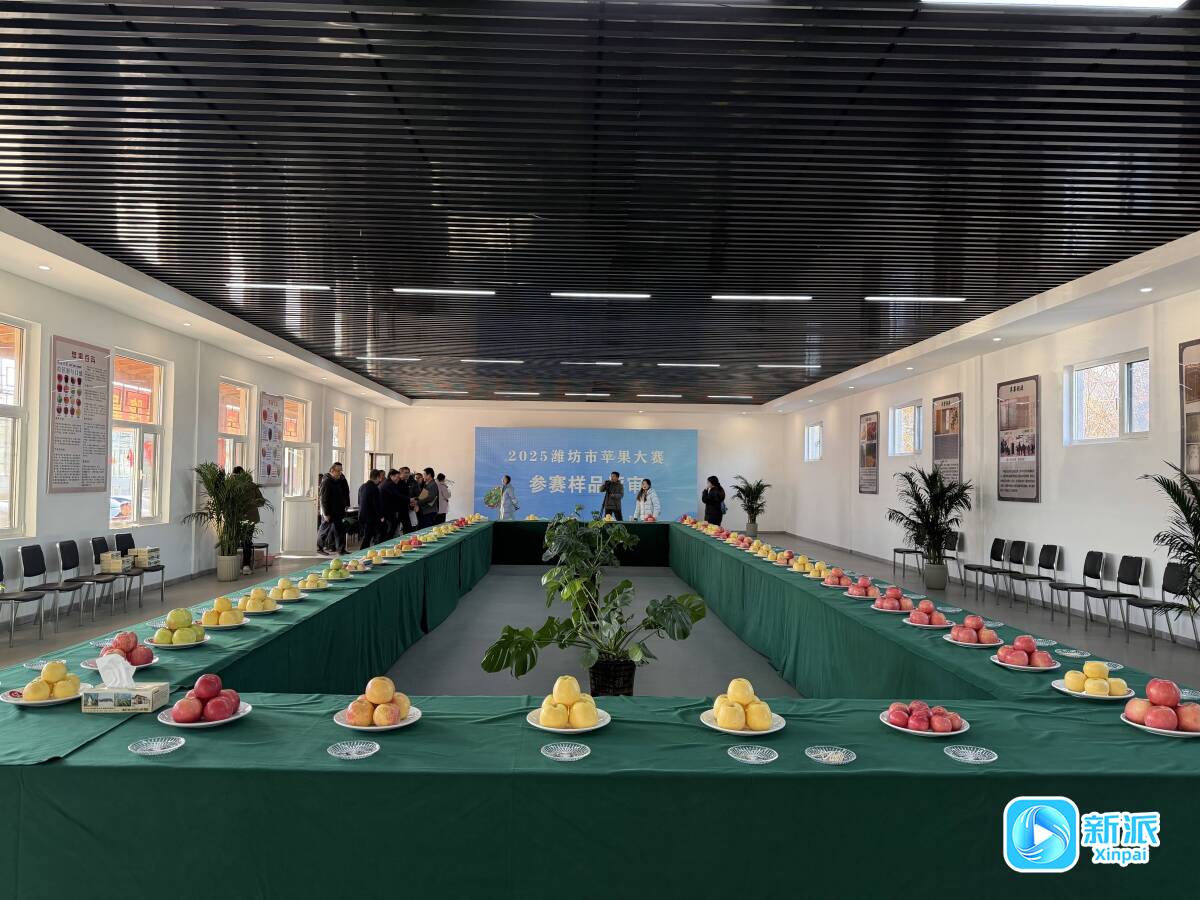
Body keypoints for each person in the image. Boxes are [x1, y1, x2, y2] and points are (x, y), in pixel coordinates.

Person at [231, 466, 267, 575]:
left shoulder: (233, 485)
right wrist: (252, 504)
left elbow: (261, 501)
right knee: (246, 541)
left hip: (238, 518)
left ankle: (240, 566)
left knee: (240, 541)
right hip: (249, 518)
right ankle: (245, 566)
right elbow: (261, 501)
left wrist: (249, 504)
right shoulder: (251, 485)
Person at [318, 462, 350, 554]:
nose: (340, 473)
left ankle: (341, 550)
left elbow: (346, 493)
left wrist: (346, 504)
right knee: (324, 531)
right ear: (332, 470)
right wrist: (326, 513)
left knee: (340, 531)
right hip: (329, 511)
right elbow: (323, 499)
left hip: (339, 511)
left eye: (341, 470)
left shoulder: (340, 480)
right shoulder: (326, 481)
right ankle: (319, 548)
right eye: (338, 471)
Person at [357, 469, 386, 549]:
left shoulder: (362, 486)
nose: (380, 480)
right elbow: (376, 504)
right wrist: (381, 516)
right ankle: (366, 551)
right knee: (372, 535)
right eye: (379, 478)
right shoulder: (374, 488)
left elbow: (359, 501)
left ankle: (367, 550)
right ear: (377, 477)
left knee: (367, 536)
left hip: (362, 515)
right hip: (372, 516)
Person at [380, 469, 408, 539]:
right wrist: (410, 499)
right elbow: (397, 495)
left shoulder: (387, 483)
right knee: (391, 529)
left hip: (388, 510)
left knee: (392, 528)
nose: (398, 479)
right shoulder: (389, 484)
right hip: (388, 511)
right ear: (391, 476)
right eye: (397, 477)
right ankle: (387, 543)